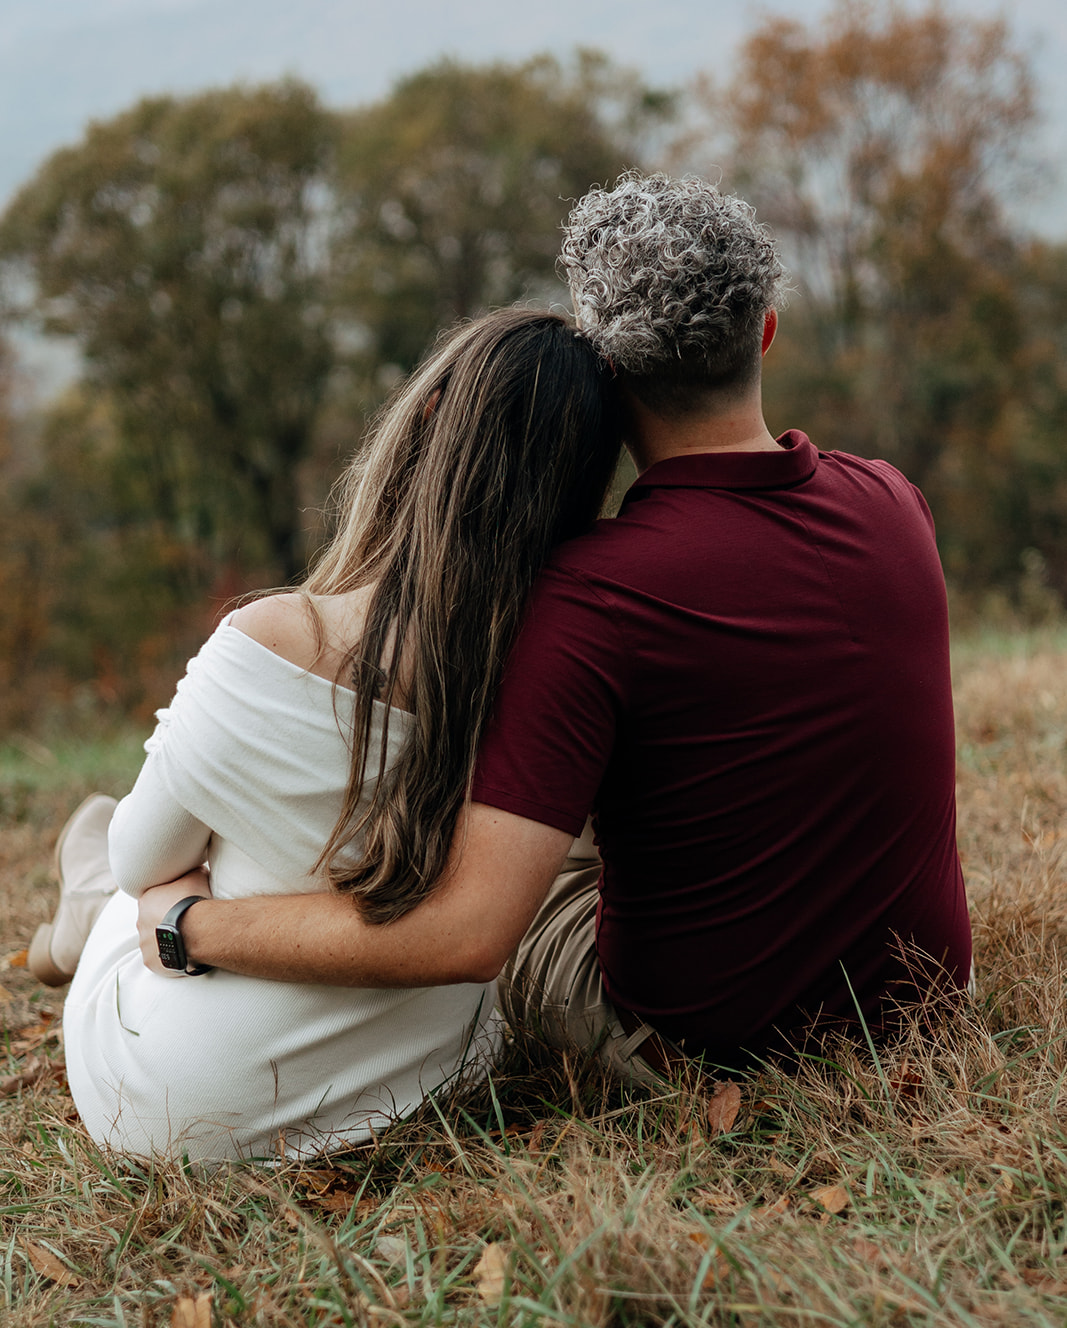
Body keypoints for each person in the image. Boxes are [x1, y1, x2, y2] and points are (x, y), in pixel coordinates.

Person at [129, 171, 972, 1080]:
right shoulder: (892, 501)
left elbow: (465, 937)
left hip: (704, 1044)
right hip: (917, 1002)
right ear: (764, 329)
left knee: (485, 869)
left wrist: (190, 924)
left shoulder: (591, 596)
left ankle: (108, 888)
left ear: (600, 371)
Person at [33, 307, 623, 1161]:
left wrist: (183, 904)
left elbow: (145, 866)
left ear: (425, 420)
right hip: (424, 1087)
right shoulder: (568, 675)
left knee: (124, 869)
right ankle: (89, 893)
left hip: (177, 1107)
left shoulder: (276, 638)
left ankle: (82, 898)